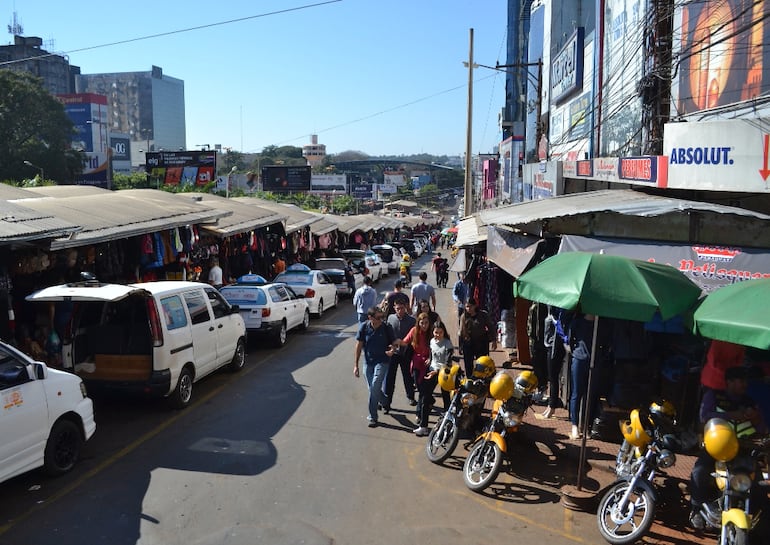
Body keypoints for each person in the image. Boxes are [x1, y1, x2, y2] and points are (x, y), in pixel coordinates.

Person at [689, 365, 769, 529]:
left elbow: (762, 429)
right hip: (717, 448)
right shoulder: (714, 396)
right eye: (741, 380)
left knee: (759, 486)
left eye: (746, 380)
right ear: (729, 382)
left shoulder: (750, 402)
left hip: (743, 450)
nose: (745, 384)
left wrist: (755, 419)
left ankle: (759, 524)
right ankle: (696, 509)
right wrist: (730, 416)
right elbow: (704, 417)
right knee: (699, 472)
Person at [354, 306, 396, 428]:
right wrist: (355, 365)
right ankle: (385, 401)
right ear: (370, 318)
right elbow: (358, 346)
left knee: (375, 385)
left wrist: (392, 350)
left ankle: (373, 417)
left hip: (382, 361)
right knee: (373, 389)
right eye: (378, 317)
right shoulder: (364, 327)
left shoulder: (387, 327)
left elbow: (393, 343)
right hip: (368, 362)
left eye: (382, 317)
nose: (381, 319)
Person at [393, 312, 433, 436]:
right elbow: (405, 342)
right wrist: (395, 343)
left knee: (423, 392)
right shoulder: (414, 331)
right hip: (416, 363)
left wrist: (431, 358)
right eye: (422, 323)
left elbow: (436, 347)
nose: (424, 325)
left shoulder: (432, 332)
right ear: (418, 323)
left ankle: (419, 414)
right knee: (419, 387)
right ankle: (427, 403)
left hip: (428, 364)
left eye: (426, 323)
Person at [385, 302, 417, 408]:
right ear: (394, 308)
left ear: (405, 308)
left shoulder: (412, 321)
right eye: (397, 308)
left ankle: (411, 397)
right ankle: (387, 402)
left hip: (406, 353)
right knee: (389, 378)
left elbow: (414, 337)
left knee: (408, 376)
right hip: (393, 353)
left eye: (402, 308)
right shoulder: (390, 318)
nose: (400, 311)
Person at [458, 298, 497, 379]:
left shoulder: (483, 315)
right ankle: (470, 380)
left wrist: (494, 340)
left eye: (470, 306)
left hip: (481, 343)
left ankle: (482, 380)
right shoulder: (463, 317)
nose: (468, 309)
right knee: (468, 365)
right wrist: (460, 346)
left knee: (482, 364)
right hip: (468, 344)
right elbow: (461, 332)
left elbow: (490, 327)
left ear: (475, 306)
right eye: (467, 307)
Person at [427, 321, 453, 411]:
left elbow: (448, 361)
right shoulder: (431, 341)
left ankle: (447, 411)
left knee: (445, 393)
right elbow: (431, 352)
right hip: (432, 369)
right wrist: (429, 360)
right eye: (436, 332)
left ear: (444, 332)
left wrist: (438, 371)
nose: (438, 335)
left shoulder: (447, 343)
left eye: (440, 332)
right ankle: (429, 404)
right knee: (427, 391)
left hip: (443, 371)